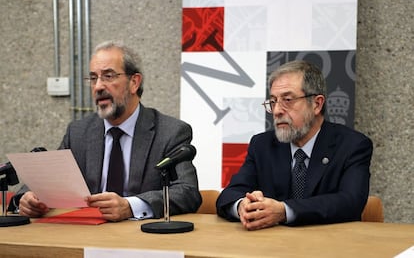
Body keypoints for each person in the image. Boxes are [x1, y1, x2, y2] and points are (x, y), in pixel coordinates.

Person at [12, 40, 202, 221]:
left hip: (143, 239)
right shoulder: (79, 132)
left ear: (134, 82)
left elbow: (188, 192)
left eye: (108, 76)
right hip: (87, 237)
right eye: (93, 78)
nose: (98, 86)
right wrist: (26, 198)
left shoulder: (170, 132)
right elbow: (48, 180)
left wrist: (130, 206)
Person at [216, 60, 373, 229]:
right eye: (273, 101)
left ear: (316, 104)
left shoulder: (352, 145)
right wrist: (243, 206)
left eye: (287, 100)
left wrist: (284, 211)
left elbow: (350, 202)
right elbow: (228, 195)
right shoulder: (262, 145)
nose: (276, 111)